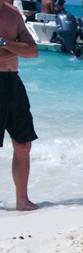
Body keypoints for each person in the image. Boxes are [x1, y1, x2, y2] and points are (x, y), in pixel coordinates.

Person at [0, 0, 39, 211]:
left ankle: (22, 200)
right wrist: (15, 48)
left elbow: (33, 50)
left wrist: (4, 44)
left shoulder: (13, 14)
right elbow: (23, 49)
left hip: (12, 82)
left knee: (24, 144)